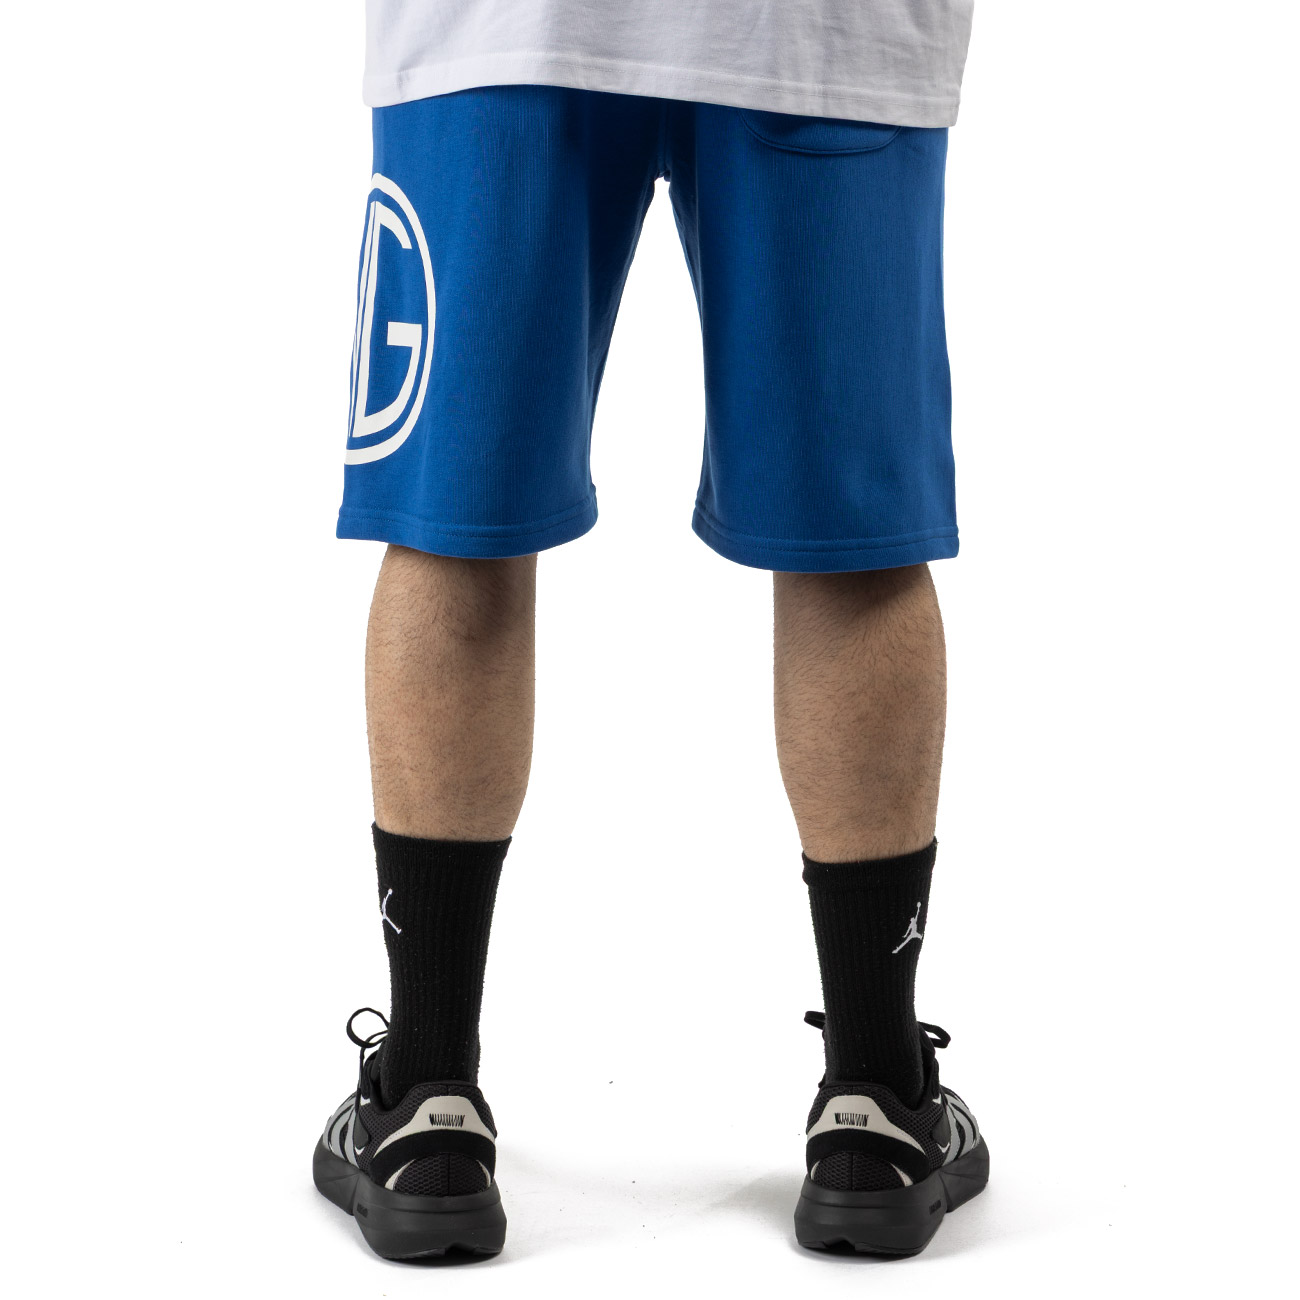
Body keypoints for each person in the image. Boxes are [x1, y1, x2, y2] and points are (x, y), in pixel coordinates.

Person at [313, 0, 985, 1261]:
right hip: (817, 32)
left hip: (504, 30)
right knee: (850, 535)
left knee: (458, 517)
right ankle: (877, 1104)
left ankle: (426, 1103)